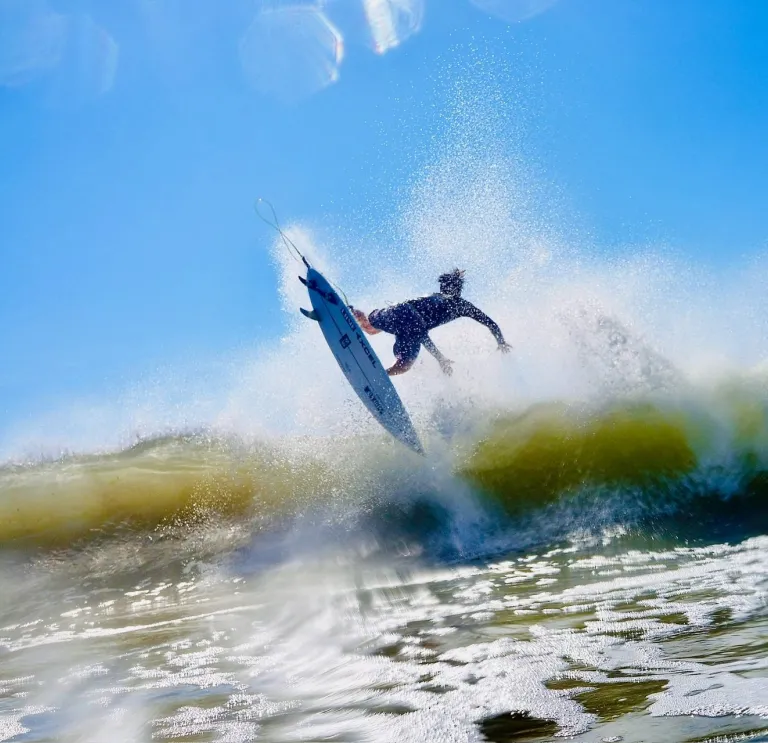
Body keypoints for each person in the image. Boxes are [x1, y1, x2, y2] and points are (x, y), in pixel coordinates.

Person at [351, 269, 511, 377]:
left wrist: (440, 357)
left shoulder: (432, 297)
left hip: (397, 310)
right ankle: (380, 376)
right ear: (458, 290)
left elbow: (415, 326)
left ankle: (351, 312)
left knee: (370, 328)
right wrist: (501, 342)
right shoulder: (462, 305)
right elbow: (491, 323)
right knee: (404, 365)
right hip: (411, 321)